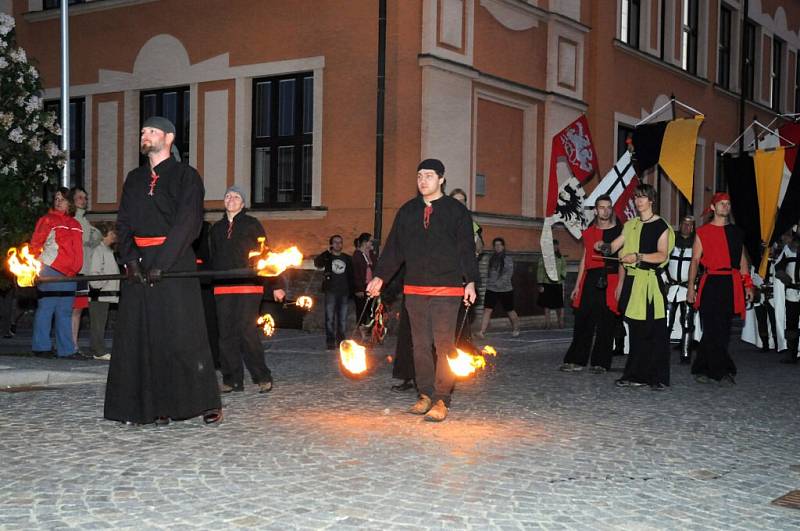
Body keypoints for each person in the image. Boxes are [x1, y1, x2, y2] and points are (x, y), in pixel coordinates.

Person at [104, 116, 222, 426]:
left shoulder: (186, 176)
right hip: (139, 264)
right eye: (143, 130)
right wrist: (130, 260)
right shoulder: (134, 178)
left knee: (182, 334)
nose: (144, 134)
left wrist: (162, 264)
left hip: (174, 261)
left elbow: (188, 224)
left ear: (168, 138)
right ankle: (152, 405)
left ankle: (203, 401)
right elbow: (124, 223)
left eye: (151, 131)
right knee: (141, 336)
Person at [367, 158, 478, 422]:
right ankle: (425, 393)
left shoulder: (456, 211)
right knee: (418, 345)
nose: (423, 180)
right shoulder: (407, 211)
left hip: (447, 289)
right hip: (415, 288)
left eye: (428, 175)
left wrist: (470, 281)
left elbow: (466, 249)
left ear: (441, 179)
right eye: (419, 176)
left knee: (444, 345)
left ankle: (442, 399)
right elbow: (394, 247)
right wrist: (380, 276)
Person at [210, 185, 284, 393]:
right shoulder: (216, 229)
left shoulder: (252, 225)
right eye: (227, 196)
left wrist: (276, 285)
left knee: (246, 331)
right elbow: (213, 257)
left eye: (236, 196)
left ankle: (262, 376)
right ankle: (232, 379)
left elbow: (266, 254)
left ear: (243, 203)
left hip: (248, 286)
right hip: (223, 287)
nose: (231, 199)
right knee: (225, 335)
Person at [604, 183, 674, 390]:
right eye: (636, 197)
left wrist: (639, 256)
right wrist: (604, 246)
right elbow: (615, 245)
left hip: (650, 284)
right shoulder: (630, 225)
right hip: (633, 283)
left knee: (655, 331)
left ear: (651, 200)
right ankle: (635, 374)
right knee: (635, 331)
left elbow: (662, 255)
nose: (638, 201)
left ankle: (659, 377)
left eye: (642, 197)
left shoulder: (662, 226)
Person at [687, 193, 753, 385]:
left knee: (722, 328)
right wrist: (691, 287)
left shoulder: (736, 232)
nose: (726, 206)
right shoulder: (703, 232)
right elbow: (695, 260)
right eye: (722, 204)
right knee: (712, 326)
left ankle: (702, 366)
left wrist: (747, 284)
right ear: (713, 207)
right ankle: (720, 370)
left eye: (728, 203)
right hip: (711, 282)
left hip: (731, 283)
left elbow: (742, 261)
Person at [560, 194, 622, 373]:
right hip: (591, 278)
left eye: (608, 207)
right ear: (595, 210)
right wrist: (578, 285)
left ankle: (600, 363)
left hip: (611, 278)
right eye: (602, 207)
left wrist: (620, 285)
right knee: (583, 319)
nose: (606, 210)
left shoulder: (619, 232)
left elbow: (622, 261)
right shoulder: (589, 232)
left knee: (606, 322)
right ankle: (576, 360)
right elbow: (585, 259)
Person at [30, 188, 84, 359]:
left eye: (62, 199)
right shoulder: (47, 219)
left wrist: (76, 268)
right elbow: (35, 244)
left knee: (65, 311)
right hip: (50, 269)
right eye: (56, 199)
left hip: (71, 273)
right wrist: (34, 266)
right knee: (47, 307)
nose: (58, 201)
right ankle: (41, 347)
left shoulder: (76, 224)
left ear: (69, 202)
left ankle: (66, 350)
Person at [70, 187, 102, 355]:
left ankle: (73, 345)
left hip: (84, 270)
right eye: (80, 197)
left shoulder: (85, 221)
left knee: (79, 309)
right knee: (72, 309)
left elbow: (97, 238)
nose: (84, 201)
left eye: (85, 198)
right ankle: (70, 345)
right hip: (75, 271)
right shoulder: (73, 220)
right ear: (72, 200)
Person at [665, 215, 697, 364]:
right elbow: (663, 261)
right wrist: (665, 278)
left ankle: (685, 355)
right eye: (685, 224)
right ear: (681, 224)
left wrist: (695, 285)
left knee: (687, 323)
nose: (687, 227)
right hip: (671, 289)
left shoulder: (697, 244)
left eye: (690, 225)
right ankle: (661, 353)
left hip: (687, 289)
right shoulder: (671, 241)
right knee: (665, 323)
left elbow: (701, 267)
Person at [314, 235, 355, 349]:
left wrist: (353, 290)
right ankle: (330, 341)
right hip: (331, 292)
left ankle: (341, 341)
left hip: (344, 292)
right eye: (336, 242)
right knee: (329, 318)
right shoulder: (328, 257)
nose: (338, 244)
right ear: (331, 244)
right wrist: (326, 253)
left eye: (340, 242)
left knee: (342, 319)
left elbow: (352, 275)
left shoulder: (347, 258)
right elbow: (317, 263)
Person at [88, 221, 119, 361]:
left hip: (105, 294)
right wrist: (103, 283)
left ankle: (98, 349)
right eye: (112, 233)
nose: (114, 235)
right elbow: (94, 275)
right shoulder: (99, 251)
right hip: (100, 295)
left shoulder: (107, 250)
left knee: (101, 322)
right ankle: (98, 351)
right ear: (104, 235)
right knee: (98, 324)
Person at [477, 237, 520, 338]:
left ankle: (516, 328)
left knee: (510, 310)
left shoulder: (507, 259)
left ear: (503, 246)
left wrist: (498, 283)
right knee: (487, 310)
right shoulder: (492, 258)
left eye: (499, 245)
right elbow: (490, 274)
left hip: (505, 289)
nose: (497, 247)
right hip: (491, 289)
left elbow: (508, 273)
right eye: (495, 245)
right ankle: (481, 332)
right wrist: (489, 283)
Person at [774, 232, 799, 364]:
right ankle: (792, 353)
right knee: (791, 323)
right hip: (793, 292)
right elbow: (779, 266)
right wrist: (784, 277)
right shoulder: (788, 249)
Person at [537, 239, 566, 328]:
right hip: (547, 283)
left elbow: (564, 268)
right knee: (546, 304)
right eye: (553, 245)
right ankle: (548, 323)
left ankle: (560, 322)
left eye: (556, 245)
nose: (555, 247)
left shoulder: (561, 257)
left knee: (559, 305)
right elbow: (540, 270)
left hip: (557, 283)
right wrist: (540, 283)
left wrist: (562, 276)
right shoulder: (544, 257)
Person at [352, 232, 376, 339]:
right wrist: (359, 289)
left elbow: (375, 268)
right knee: (361, 310)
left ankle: (370, 333)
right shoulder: (357, 255)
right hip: (362, 287)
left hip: (371, 287)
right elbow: (356, 273)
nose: (372, 243)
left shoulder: (371, 254)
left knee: (371, 311)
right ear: (365, 242)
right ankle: (362, 334)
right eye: (371, 241)